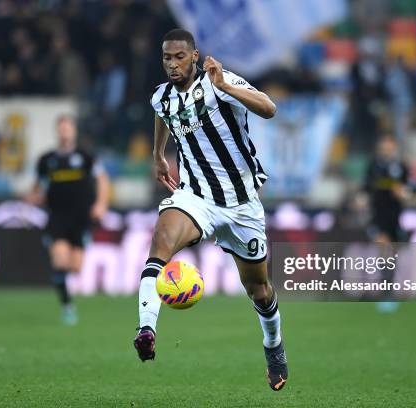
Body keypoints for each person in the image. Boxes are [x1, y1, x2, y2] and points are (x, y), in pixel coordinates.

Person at [133, 29, 287, 391]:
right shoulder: (162, 97)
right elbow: (163, 115)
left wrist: (226, 87)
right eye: (167, 58)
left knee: (260, 291)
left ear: (195, 56)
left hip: (241, 205)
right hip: (196, 198)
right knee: (161, 242)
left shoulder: (217, 80)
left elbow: (269, 108)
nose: (172, 64)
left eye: (179, 57)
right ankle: (145, 329)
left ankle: (273, 346)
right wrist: (158, 155)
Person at [27, 115, 109, 324]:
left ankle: (65, 294)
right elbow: (37, 187)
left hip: (81, 218)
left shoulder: (86, 157)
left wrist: (101, 204)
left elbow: (102, 180)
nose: (64, 132)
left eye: (68, 128)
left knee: (75, 267)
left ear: (73, 131)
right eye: (61, 128)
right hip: (57, 216)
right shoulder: (47, 160)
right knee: (60, 260)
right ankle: (67, 306)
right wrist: (33, 197)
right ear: (57, 131)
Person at [362, 135, 410, 313]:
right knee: (384, 249)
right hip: (378, 214)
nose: (386, 150)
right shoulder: (374, 166)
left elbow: (408, 188)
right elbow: (366, 187)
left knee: (392, 253)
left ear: (394, 148)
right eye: (384, 147)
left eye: (389, 147)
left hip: (395, 215)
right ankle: (386, 293)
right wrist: (362, 198)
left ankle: (389, 289)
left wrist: (404, 193)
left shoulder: (401, 167)